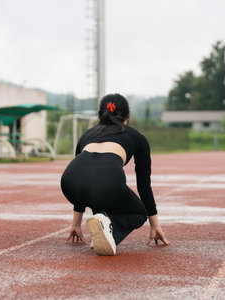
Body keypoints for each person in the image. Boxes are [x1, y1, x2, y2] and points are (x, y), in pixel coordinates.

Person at [60, 93, 170, 256]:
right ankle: (108, 229)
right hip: (106, 182)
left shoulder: (87, 135)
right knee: (138, 213)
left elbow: (83, 175)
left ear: (100, 115)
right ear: (127, 116)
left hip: (69, 182)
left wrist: (76, 223)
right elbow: (143, 185)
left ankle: (101, 224)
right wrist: (155, 225)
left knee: (96, 193)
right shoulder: (137, 137)